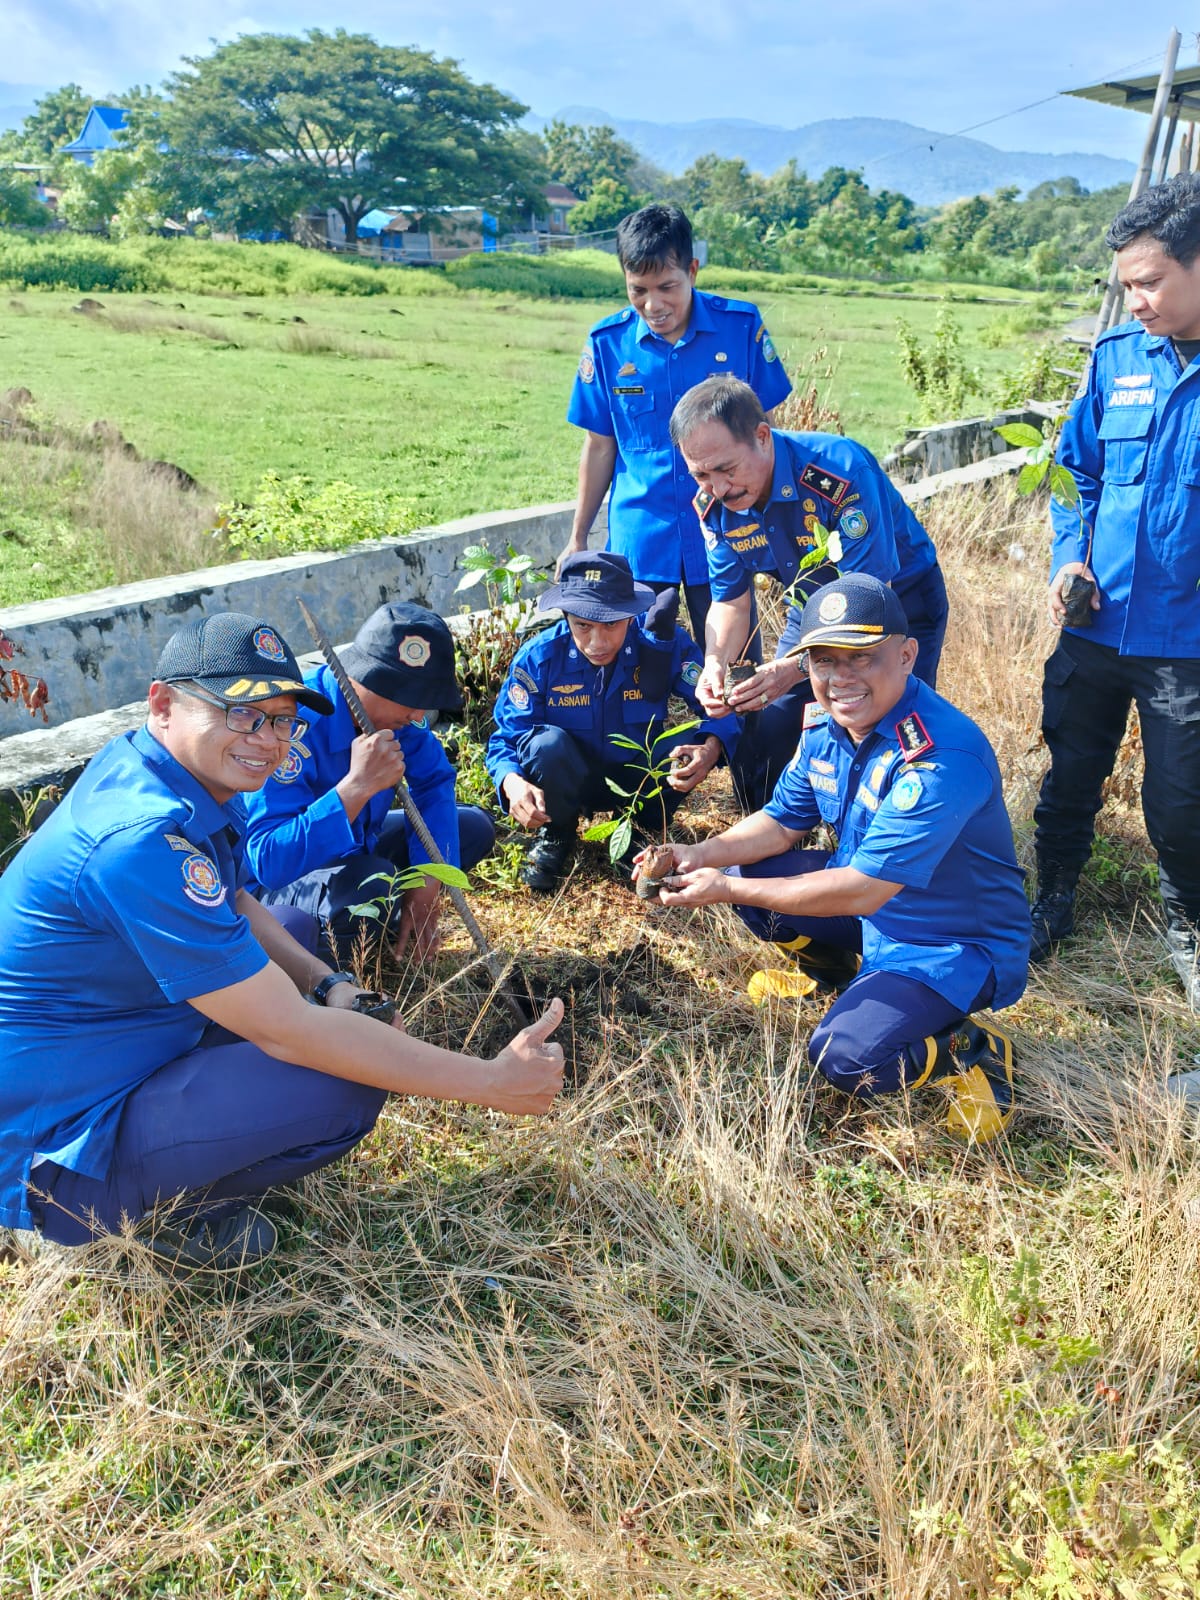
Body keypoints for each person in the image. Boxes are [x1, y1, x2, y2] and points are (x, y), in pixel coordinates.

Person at [0, 613, 563, 1270]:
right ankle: (107, 1226)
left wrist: (329, 984)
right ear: (162, 703)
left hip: (113, 1042)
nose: (267, 740)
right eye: (242, 714)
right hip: (57, 1138)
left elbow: (237, 895)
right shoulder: (142, 843)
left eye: (280, 720)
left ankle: (163, 1172)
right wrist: (491, 1082)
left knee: (295, 935)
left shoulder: (169, 769)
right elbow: (288, 1032)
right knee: (341, 1087)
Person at [645, 574, 1028, 1143]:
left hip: (949, 946)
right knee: (746, 867)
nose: (838, 679)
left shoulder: (940, 756)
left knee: (846, 1059)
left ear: (906, 655)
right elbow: (780, 822)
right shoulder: (830, 726)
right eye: (822, 661)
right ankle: (835, 978)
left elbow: (861, 890)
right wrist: (694, 853)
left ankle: (974, 1049)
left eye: (860, 659)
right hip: (872, 914)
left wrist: (725, 888)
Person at [1028, 172, 1200, 1008]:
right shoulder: (1115, 362)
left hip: (1186, 644)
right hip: (1095, 624)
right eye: (1125, 284)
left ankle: (1187, 926)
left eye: (1150, 282)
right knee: (1069, 773)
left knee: (1180, 804)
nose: (1134, 301)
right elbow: (1074, 475)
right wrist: (1070, 557)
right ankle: (1053, 893)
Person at [670, 375, 948, 810]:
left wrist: (793, 666)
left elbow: (868, 602)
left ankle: (879, 845)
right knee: (774, 721)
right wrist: (714, 663)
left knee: (885, 720)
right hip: (814, 606)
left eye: (727, 469)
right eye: (701, 475)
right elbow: (729, 601)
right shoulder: (714, 508)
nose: (718, 489)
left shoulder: (837, 472)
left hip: (894, 604)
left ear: (762, 437)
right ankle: (775, 852)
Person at [560, 203, 793, 639]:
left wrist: (781, 518)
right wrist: (578, 537)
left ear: (693, 270)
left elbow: (768, 436)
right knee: (640, 666)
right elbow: (600, 446)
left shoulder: (739, 328)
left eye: (667, 286)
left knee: (735, 659)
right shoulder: (607, 345)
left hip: (728, 526)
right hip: (644, 537)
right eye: (638, 290)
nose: (654, 304)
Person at [242, 602, 495, 966]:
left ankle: (383, 919)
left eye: (425, 701)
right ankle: (335, 969)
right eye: (410, 699)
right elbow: (268, 862)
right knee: (372, 879)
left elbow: (433, 783)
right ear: (364, 677)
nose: (419, 715)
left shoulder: (396, 719)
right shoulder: (293, 725)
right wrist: (355, 789)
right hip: (285, 887)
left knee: (471, 827)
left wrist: (427, 881)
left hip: (359, 857)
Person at [487, 551, 741, 892]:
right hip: (567, 780)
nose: (598, 642)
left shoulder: (661, 645)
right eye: (583, 626)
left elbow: (717, 706)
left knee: (683, 744)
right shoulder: (540, 658)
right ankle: (558, 835)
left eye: (611, 624)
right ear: (565, 617)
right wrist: (511, 781)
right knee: (544, 744)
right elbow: (506, 737)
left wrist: (711, 748)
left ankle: (641, 835)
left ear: (630, 614)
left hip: (638, 777)